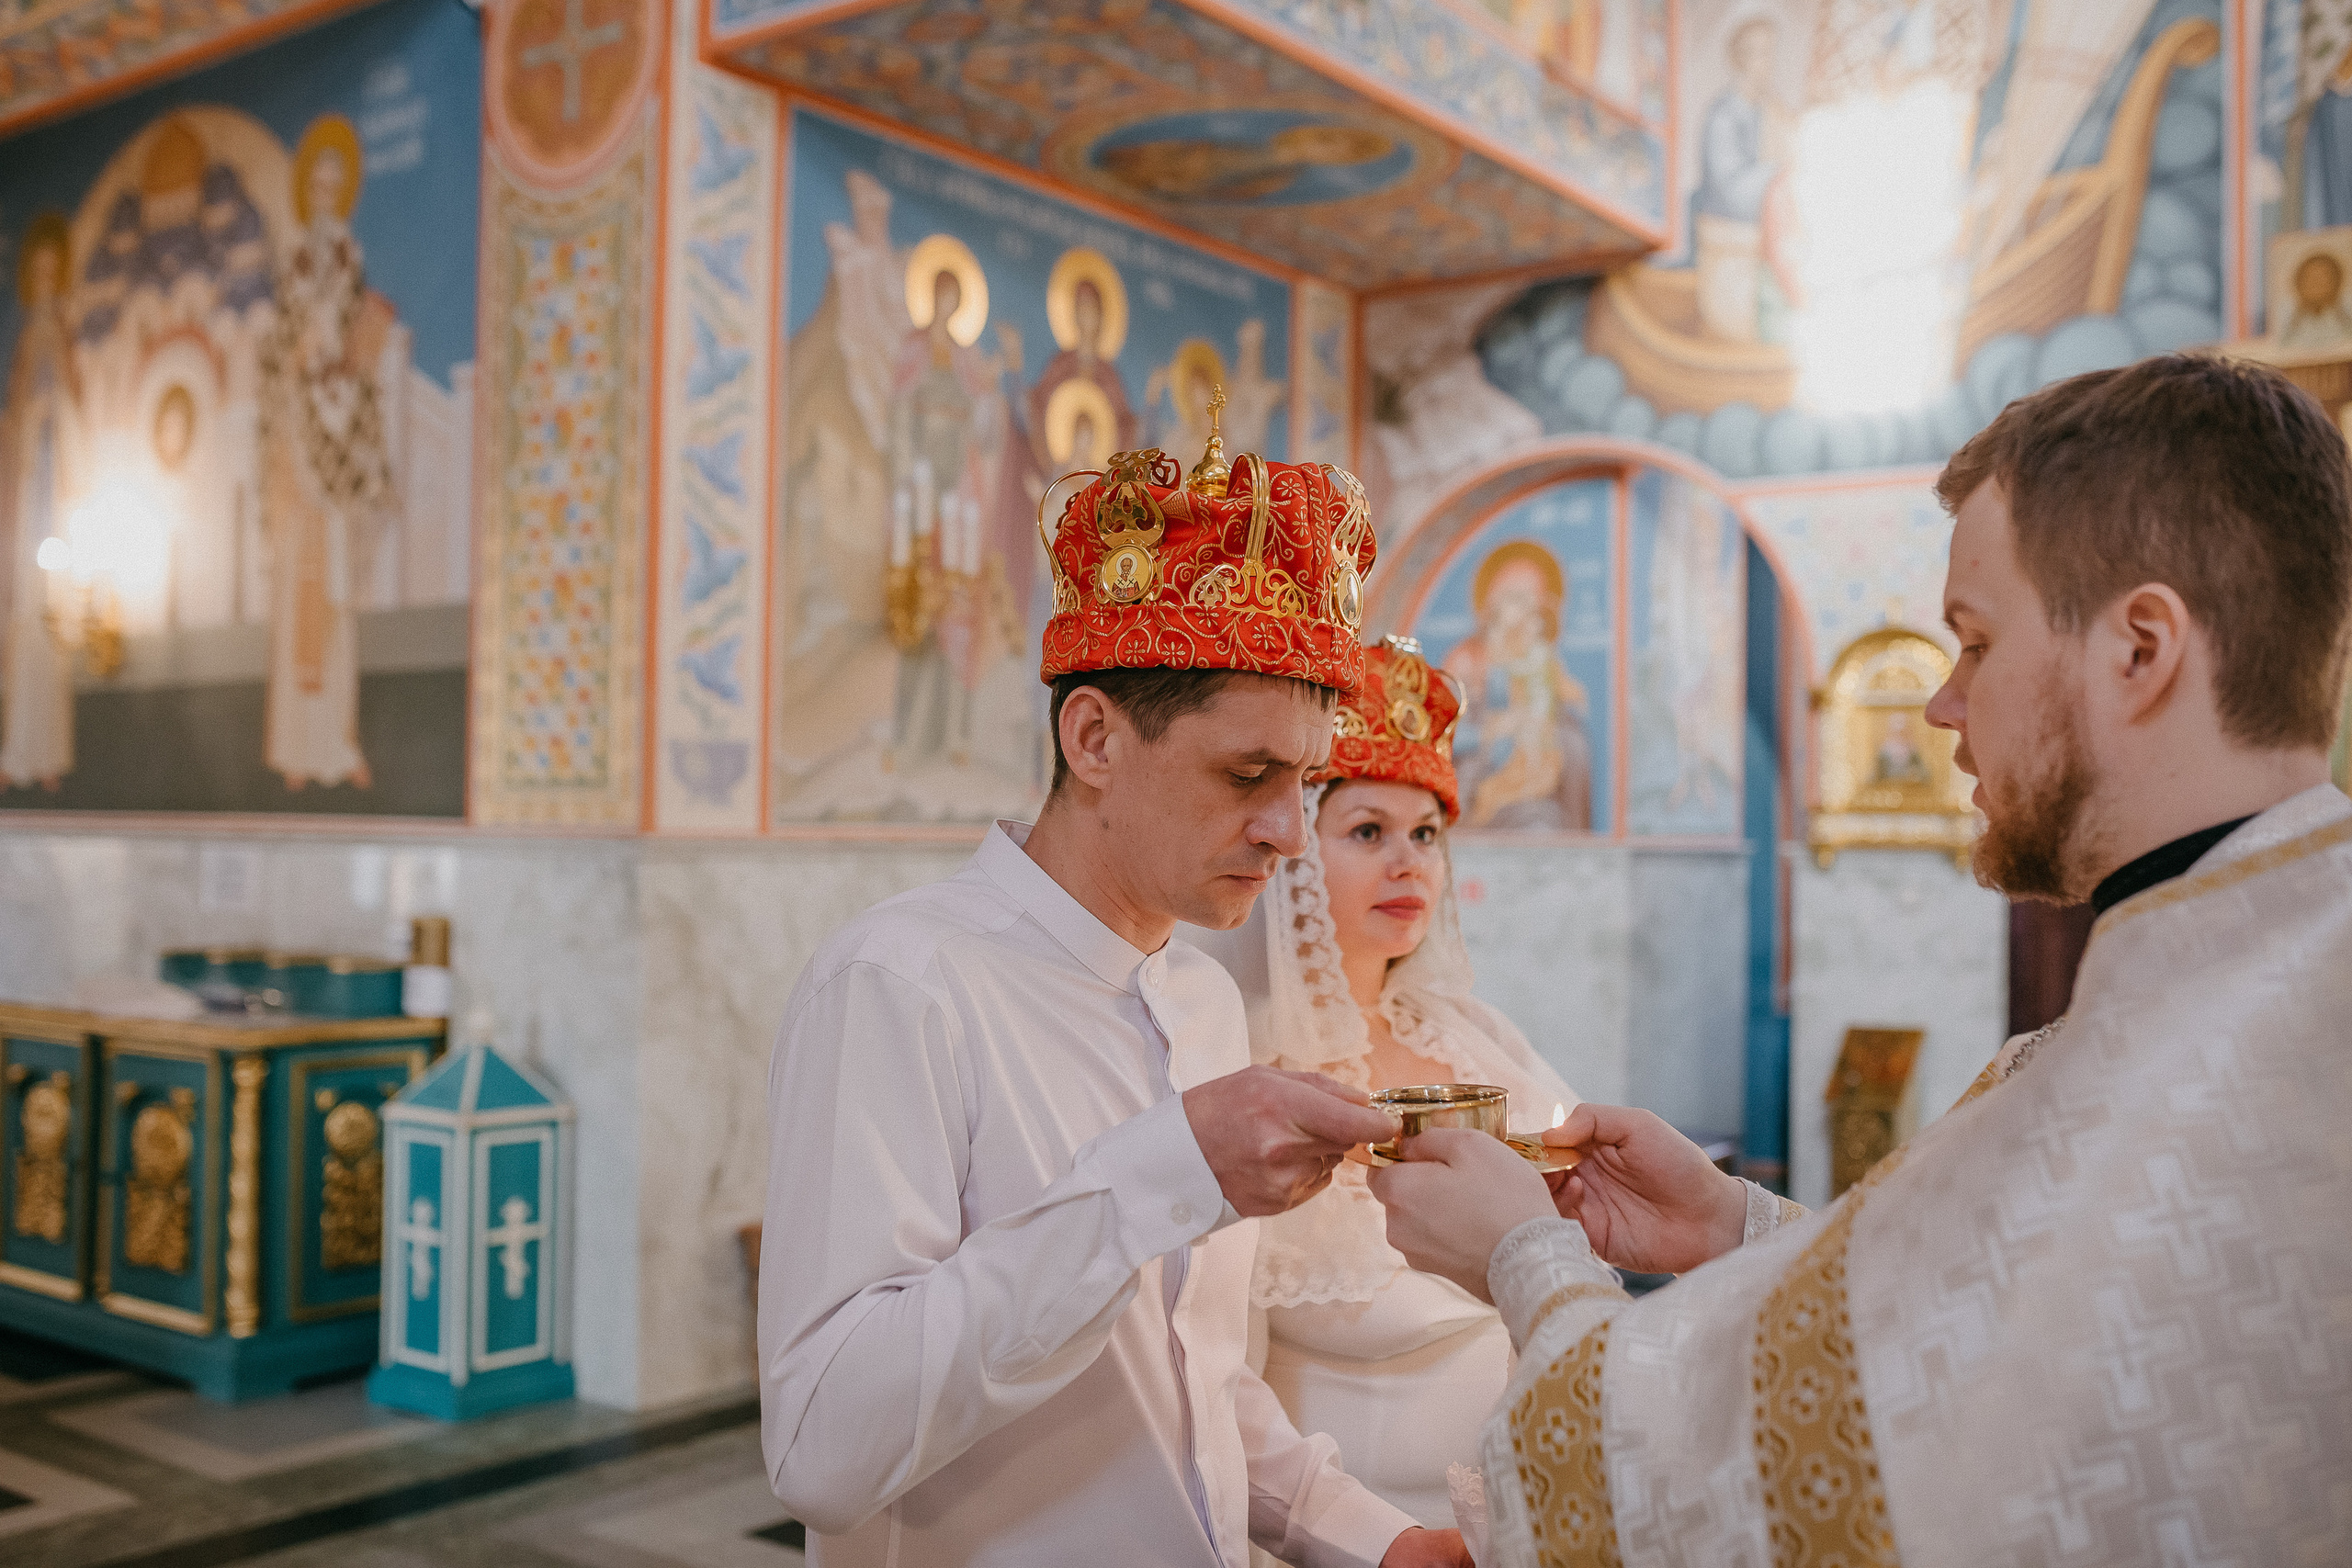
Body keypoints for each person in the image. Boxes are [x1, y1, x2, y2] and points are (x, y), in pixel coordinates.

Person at [1366, 353, 2352, 1564]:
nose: (1940, 705)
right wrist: (1738, 1225)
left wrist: (1525, 1254)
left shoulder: (2200, 1046)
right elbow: (1984, 1331)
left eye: (1976, 642)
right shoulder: (2241, 971)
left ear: (2141, 649)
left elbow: (1787, 1487)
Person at [761, 442, 1467, 1566]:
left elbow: (1185, 1382)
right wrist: (1164, 1173)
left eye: (1303, 783)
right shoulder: (900, 983)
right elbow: (822, 1444)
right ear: (1093, 738)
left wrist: (1371, 1540)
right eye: (1248, 777)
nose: (1290, 832)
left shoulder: (1196, 1000)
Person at [1195, 635, 1579, 1530]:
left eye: (1426, 836)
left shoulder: (1478, 1042)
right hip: (1344, 1532)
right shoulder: (1237, 1068)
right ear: (1292, 858)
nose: (1409, 864)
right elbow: (1209, 1371)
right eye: (1368, 831)